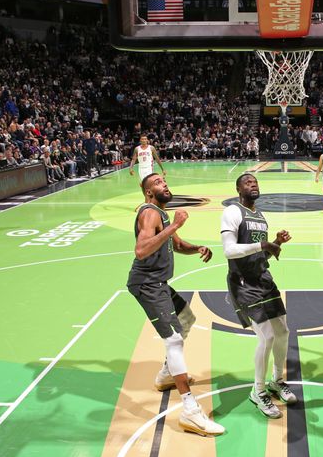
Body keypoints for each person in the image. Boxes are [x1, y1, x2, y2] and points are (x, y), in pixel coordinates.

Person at [127, 173, 224, 436]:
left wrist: (197, 248)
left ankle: (167, 374)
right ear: (149, 192)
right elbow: (141, 249)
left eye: (164, 181)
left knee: (186, 319)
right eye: (158, 183)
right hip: (147, 284)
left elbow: (176, 243)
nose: (164, 184)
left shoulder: (161, 212)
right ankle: (190, 411)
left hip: (158, 282)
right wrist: (175, 226)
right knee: (173, 341)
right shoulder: (149, 213)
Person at [221, 174, 297, 418]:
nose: (253, 184)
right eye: (247, 182)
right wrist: (263, 245)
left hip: (263, 279)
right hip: (243, 282)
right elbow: (229, 250)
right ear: (238, 189)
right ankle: (258, 390)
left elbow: (261, 255)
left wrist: (274, 242)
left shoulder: (261, 217)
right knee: (266, 337)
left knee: (283, 331)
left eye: (255, 181)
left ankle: (277, 380)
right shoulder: (233, 212)